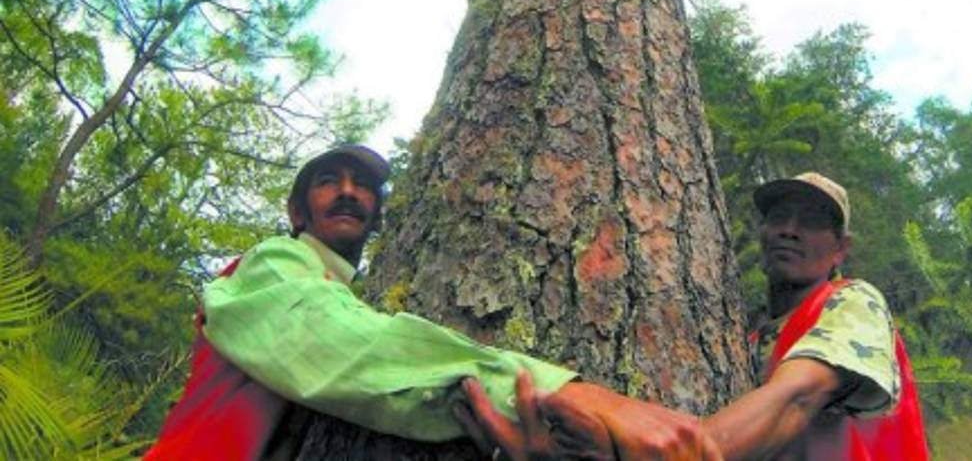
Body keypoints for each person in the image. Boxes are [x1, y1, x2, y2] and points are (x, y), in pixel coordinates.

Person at [147, 144, 717, 460]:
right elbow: (335, 344)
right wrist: (556, 392)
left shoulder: (346, 292)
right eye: (328, 180)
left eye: (362, 184)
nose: (349, 191)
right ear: (297, 213)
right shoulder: (273, 264)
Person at [463, 171, 928, 460]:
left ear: (841, 248)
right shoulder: (741, 342)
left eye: (810, 221)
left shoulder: (852, 301)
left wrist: (656, 453)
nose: (789, 229)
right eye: (779, 218)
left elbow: (798, 397)